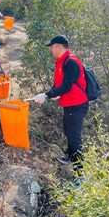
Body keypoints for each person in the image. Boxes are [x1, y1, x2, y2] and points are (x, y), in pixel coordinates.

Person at [34, 34, 89, 173]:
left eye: (51, 47)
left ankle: (80, 173)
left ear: (58, 46)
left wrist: (47, 95)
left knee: (74, 137)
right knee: (69, 132)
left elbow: (67, 85)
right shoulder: (61, 61)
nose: (50, 50)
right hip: (69, 104)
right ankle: (70, 157)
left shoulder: (71, 62)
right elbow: (60, 84)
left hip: (77, 104)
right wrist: (55, 93)